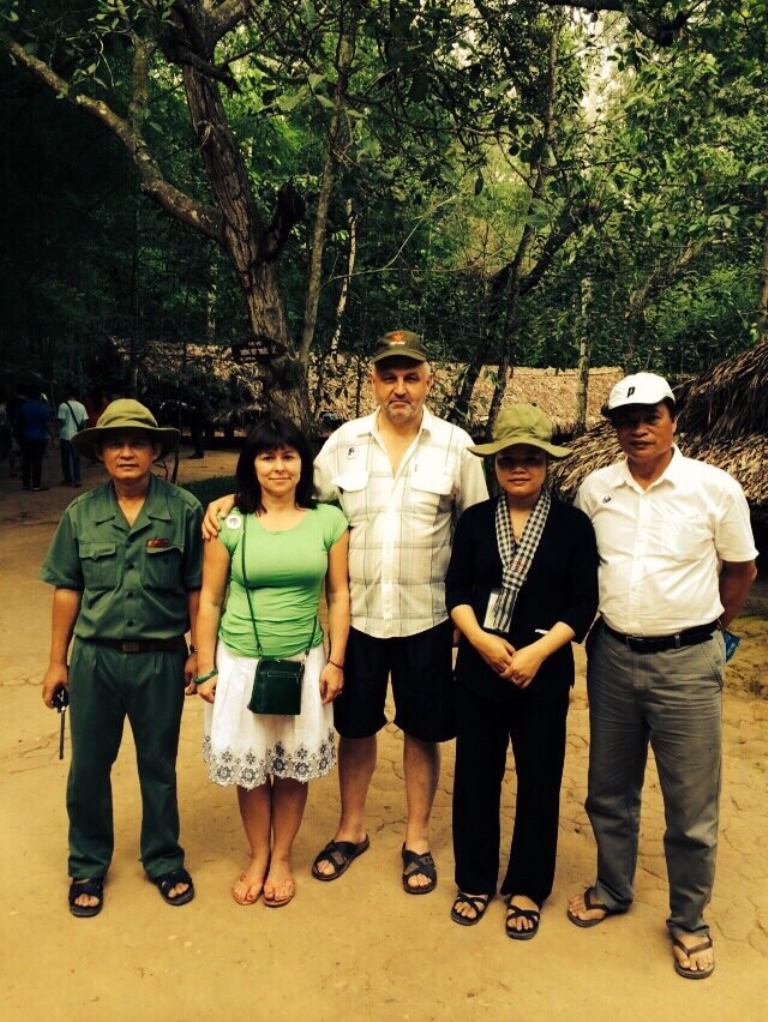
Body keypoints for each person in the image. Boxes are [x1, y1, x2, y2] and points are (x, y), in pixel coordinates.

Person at [203, 330, 488, 893]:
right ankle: (351, 829)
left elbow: (475, 533)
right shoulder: (344, 443)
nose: (399, 387)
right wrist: (230, 499)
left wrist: (465, 615)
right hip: (356, 620)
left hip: (427, 614)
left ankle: (417, 839)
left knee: (420, 729)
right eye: (389, 376)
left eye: (411, 376)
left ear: (429, 380)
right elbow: (286, 489)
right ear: (374, 381)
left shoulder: (457, 446)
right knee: (355, 728)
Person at [566, 373, 758, 979]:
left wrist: (709, 636)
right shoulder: (597, 488)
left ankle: (688, 921)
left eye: (650, 416)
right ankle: (614, 888)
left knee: (691, 803)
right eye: (625, 420)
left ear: (673, 417)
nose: (638, 429)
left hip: (688, 661)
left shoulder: (715, 489)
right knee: (609, 789)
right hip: (613, 655)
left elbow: (741, 570)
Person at [40, 399, 203, 918]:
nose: (127, 452)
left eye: (138, 442)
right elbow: (67, 587)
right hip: (94, 661)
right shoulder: (80, 515)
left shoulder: (183, 511)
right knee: (88, 767)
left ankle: (162, 858)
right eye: (115, 443)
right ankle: (87, 864)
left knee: (158, 765)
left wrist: (200, 651)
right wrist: (55, 662)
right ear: (102, 454)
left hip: (160, 659)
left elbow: (199, 589)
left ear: (155, 450)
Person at [445, 405, 599, 938]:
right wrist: (482, 641)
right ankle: (474, 879)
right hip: (480, 669)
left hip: (543, 672)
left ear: (546, 465)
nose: (518, 468)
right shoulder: (473, 522)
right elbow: (457, 590)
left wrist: (538, 653)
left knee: (539, 781)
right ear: (494, 465)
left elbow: (584, 603)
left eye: (530, 459)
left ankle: (529, 886)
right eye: (508, 459)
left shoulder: (573, 526)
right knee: (475, 777)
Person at [194, 416, 349, 907]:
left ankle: (282, 855)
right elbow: (211, 600)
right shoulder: (229, 523)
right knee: (250, 767)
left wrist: (336, 662)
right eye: (267, 456)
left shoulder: (329, 520)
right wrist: (204, 667)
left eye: (288, 455)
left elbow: (340, 594)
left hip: (304, 662)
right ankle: (257, 853)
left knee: (290, 767)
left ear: (304, 463)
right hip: (240, 664)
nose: (279, 466)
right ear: (252, 464)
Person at [16, 383, 54, 491]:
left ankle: (26, 483)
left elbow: (18, 423)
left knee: (26, 460)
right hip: (39, 438)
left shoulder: (23, 407)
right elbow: (49, 424)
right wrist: (53, 437)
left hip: (25, 437)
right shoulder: (43, 408)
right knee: (37, 461)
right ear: (39, 395)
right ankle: (36, 484)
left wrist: (18, 437)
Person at [56, 386, 87, 487]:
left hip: (65, 435)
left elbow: (62, 420)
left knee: (65, 458)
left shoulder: (63, 406)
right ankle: (77, 479)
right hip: (76, 435)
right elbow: (84, 422)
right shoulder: (81, 406)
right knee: (76, 458)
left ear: (67, 394)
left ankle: (68, 479)